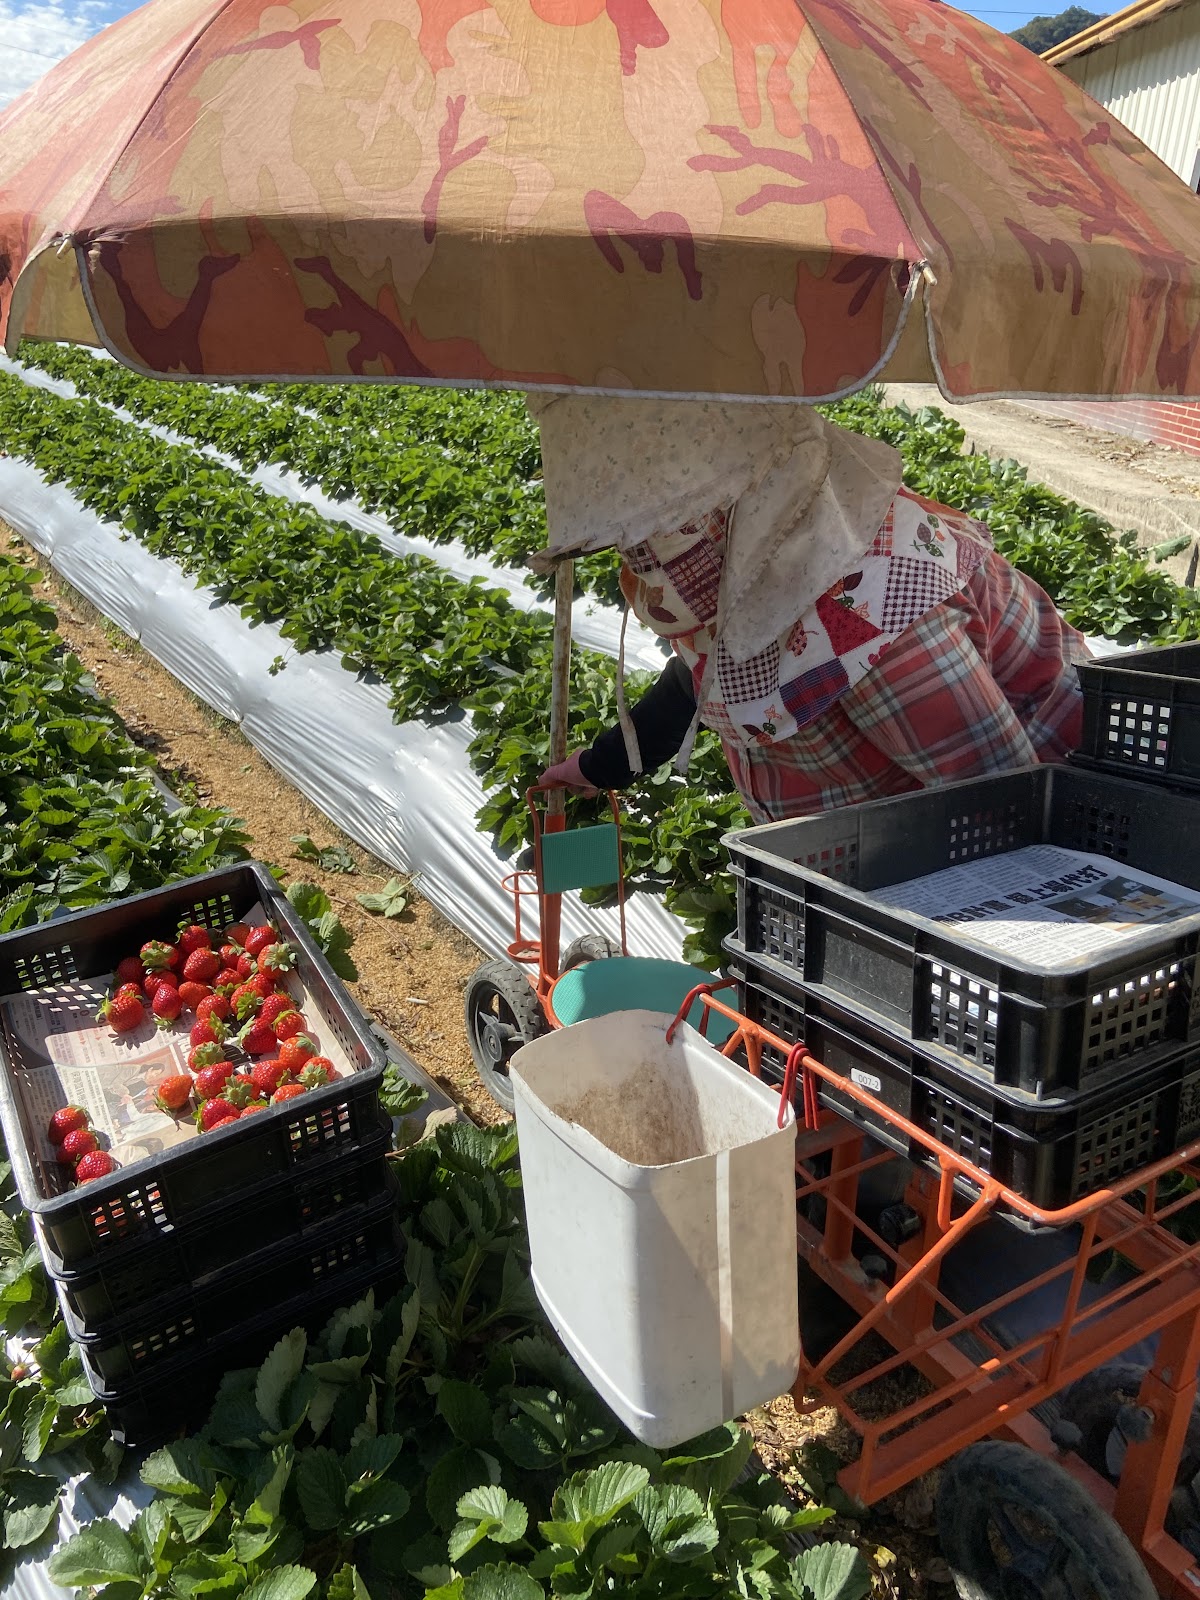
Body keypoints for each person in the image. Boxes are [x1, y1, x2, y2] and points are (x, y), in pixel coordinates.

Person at [531, 395, 1087, 821]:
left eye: (656, 540)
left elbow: (1006, 814)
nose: (646, 577)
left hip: (1026, 832)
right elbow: (701, 679)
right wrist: (603, 763)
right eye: (628, 548)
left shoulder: (879, 612)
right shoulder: (751, 572)